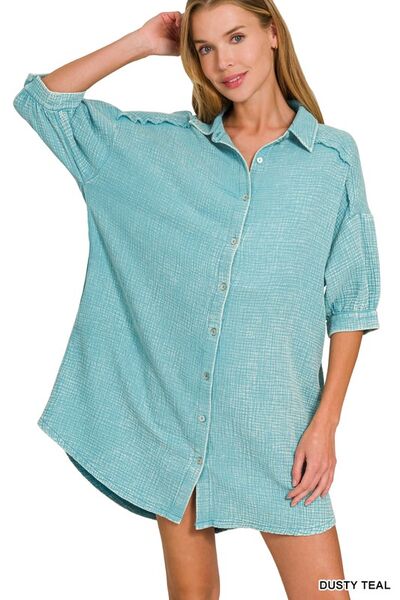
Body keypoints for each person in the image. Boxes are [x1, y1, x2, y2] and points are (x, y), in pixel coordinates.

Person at [13, 1, 380, 599]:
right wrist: (141, 42)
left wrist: (325, 425)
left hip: (280, 431)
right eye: (205, 48)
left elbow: (353, 302)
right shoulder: (161, 149)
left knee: (330, 591)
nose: (222, 62)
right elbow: (42, 103)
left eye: (236, 38)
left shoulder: (332, 160)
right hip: (178, 425)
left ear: (272, 34)